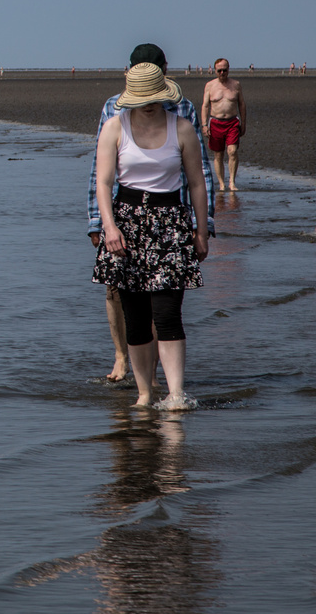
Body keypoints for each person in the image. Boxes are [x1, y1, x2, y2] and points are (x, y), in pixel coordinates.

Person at [87, 44, 215, 385]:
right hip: (126, 221)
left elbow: (199, 178)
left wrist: (203, 228)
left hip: (171, 221)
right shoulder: (113, 118)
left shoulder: (183, 117)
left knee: (167, 312)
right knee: (131, 310)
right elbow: (99, 177)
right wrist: (101, 223)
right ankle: (135, 378)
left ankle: (171, 390)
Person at [201, 59, 249, 191]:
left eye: (225, 70)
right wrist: (204, 125)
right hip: (215, 122)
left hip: (232, 122)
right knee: (218, 155)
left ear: (229, 69)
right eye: (219, 70)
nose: (222, 73)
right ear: (215, 71)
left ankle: (232, 182)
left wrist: (243, 123)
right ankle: (222, 184)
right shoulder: (210, 86)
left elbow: (242, 104)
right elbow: (205, 106)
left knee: (232, 151)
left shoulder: (236, 84)